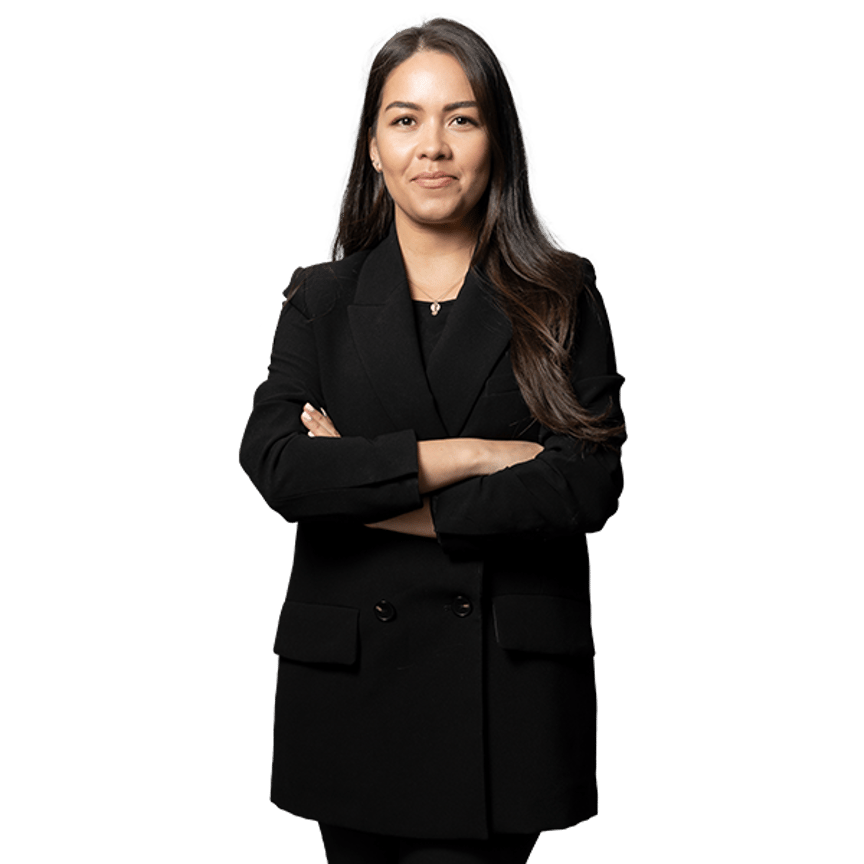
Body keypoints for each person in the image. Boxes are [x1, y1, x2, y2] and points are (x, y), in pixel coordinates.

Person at [238, 14, 627, 864]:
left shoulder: (560, 295)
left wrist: (369, 492)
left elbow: (584, 483)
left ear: (498, 142)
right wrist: (475, 455)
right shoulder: (318, 299)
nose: (433, 146)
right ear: (373, 149)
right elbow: (279, 466)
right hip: (351, 697)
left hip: (502, 697)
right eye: (405, 119)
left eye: (462, 118)